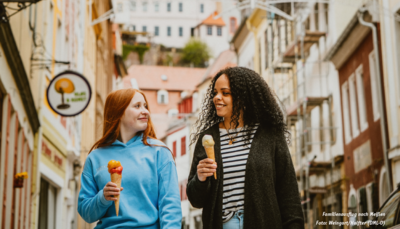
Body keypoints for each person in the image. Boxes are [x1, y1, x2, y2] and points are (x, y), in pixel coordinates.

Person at [187, 66, 304, 229]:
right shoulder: (208, 138)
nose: (217, 98)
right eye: (215, 93)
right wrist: (200, 178)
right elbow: (196, 200)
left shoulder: (270, 135)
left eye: (225, 93)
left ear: (243, 97)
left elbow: (288, 192)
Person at [78, 88, 182, 229]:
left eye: (145, 106)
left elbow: (170, 206)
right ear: (119, 112)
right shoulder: (95, 157)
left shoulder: (160, 152)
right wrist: (103, 197)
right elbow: (86, 214)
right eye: (137, 106)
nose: (146, 111)